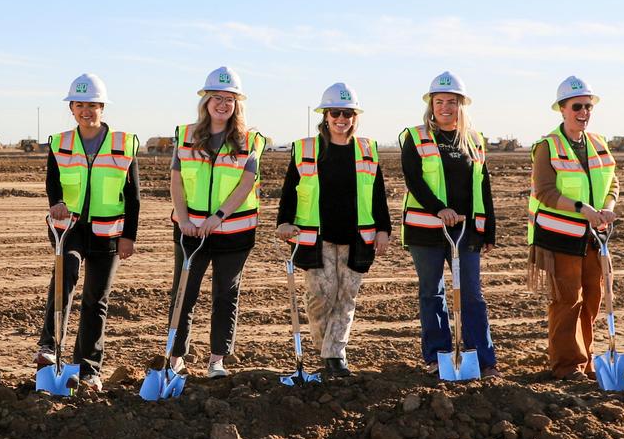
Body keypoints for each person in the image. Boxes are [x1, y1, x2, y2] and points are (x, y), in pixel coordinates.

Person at [275, 82, 391, 378]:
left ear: (355, 117)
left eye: (347, 113)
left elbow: (377, 194)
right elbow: (290, 190)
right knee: (319, 297)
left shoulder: (367, 150)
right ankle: (326, 349)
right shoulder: (306, 149)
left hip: (357, 237)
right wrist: (284, 222)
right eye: (335, 112)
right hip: (316, 237)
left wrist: (383, 229)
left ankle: (335, 355)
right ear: (325, 115)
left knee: (346, 297)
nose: (341, 118)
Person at [36, 73, 140, 391]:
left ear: (102, 107)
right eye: (79, 104)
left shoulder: (124, 143)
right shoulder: (60, 142)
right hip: (69, 229)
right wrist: (56, 203)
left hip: (109, 233)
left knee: (97, 299)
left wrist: (129, 236)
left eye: (92, 105)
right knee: (64, 274)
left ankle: (89, 367)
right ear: (71, 108)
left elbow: (133, 195)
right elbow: (53, 181)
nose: (85, 111)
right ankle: (49, 349)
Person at [165, 66, 267, 379]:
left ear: (238, 104)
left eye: (229, 99)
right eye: (217, 98)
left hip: (233, 233)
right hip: (189, 232)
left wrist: (217, 218)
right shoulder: (186, 135)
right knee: (184, 294)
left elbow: (245, 184)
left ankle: (217, 360)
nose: (222, 104)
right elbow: (177, 181)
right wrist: (183, 219)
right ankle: (175, 358)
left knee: (226, 294)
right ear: (206, 101)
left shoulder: (250, 141)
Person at [399, 71, 498, 376]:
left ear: (461, 105)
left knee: (471, 293)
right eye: (439, 101)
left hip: (465, 229)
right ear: (431, 104)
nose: (445, 107)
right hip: (425, 230)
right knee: (432, 292)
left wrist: (488, 228)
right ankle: (437, 356)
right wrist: (440, 209)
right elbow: (414, 181)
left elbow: (483, 185)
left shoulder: (474, 140)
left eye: (452, 102)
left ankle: (482, 358)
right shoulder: (414, 137)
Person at [526, 76, 619, 378]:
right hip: (560, 237)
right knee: (568, 301)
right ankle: (567, 365)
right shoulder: (547, 146)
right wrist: (583, 210)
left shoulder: (598, 144)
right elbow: (545, 191)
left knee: (592, 298)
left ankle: (587, 361)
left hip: (594, 237)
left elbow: (612, 181)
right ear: (562, 109)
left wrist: (607, 208)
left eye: (588, 107)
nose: (584, 112)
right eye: (577, 106)